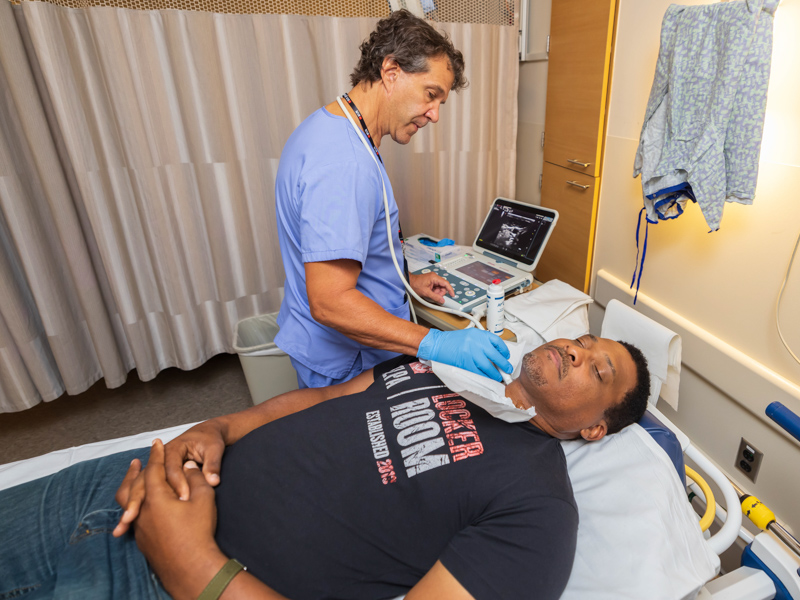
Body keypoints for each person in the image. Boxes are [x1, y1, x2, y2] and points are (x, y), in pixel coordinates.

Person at [0, 335, 650, 600]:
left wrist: (195, 566)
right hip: (134, 480)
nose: (576, 349)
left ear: (594, 428)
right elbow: (316, 400)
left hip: (165, 584)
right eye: (584, 338)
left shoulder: (538, 512)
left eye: (599, 368)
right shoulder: (443, 369)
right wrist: (216, 426)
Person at [274, 9, 513, 388]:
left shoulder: (332, 129)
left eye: (441, 103)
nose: (434, 115)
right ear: (391, 71)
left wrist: (405, 280)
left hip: (331, 347)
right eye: (430, 95)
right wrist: (437, 342)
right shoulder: (345, 163)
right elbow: (331, 301)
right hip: (347, 359)